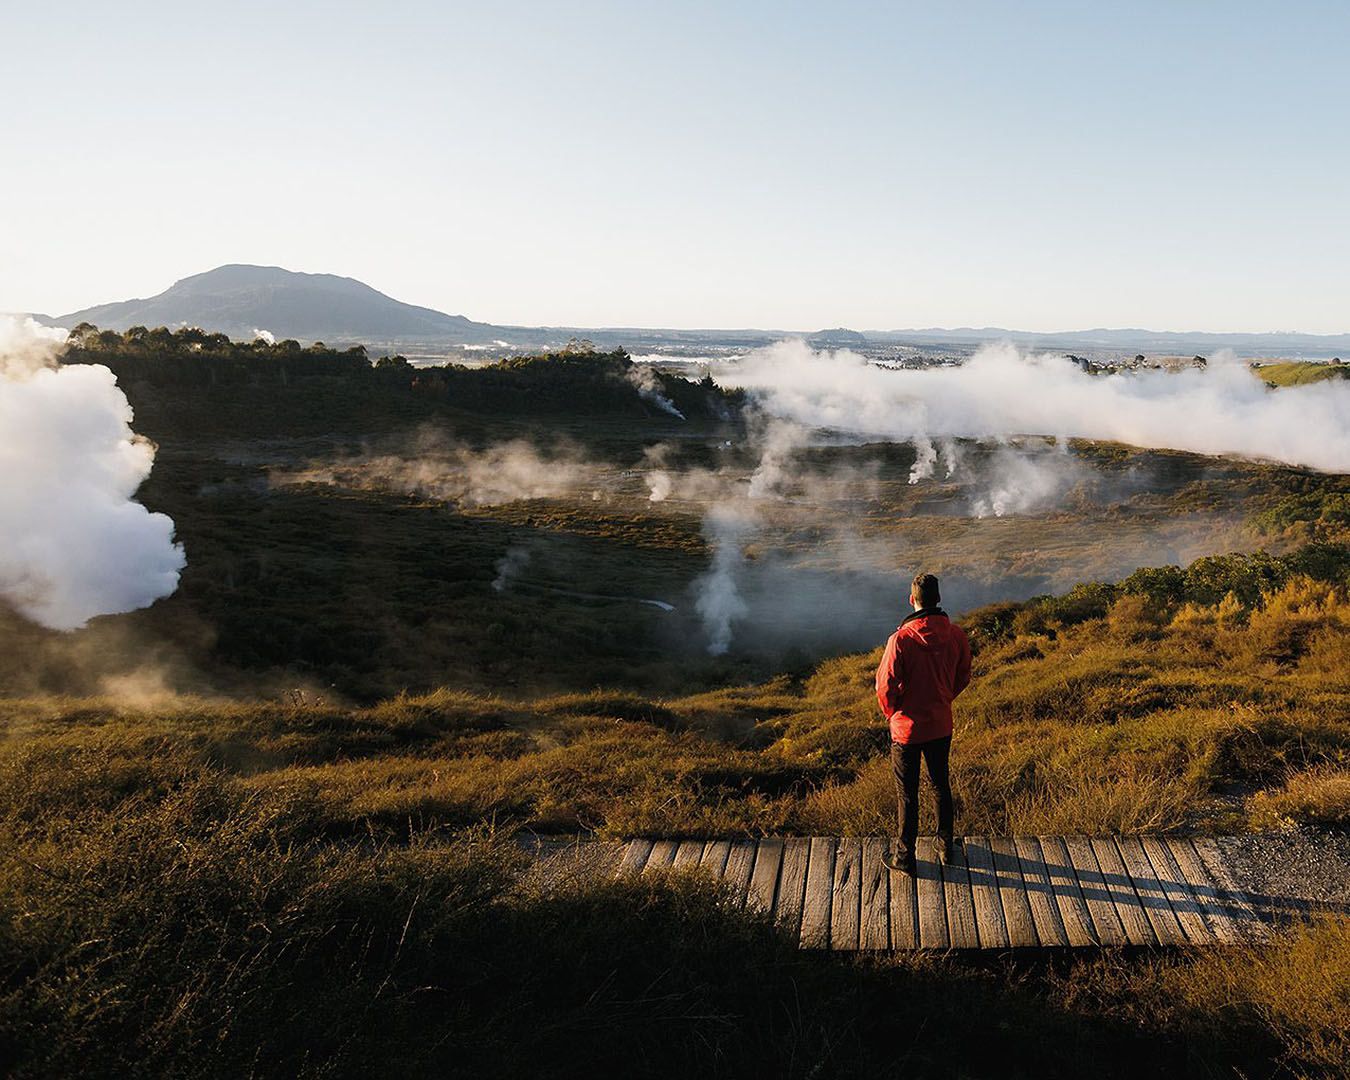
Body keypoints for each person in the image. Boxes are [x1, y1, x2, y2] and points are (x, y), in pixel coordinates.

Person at [875, 572, 971, 875]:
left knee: (908, 793)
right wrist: (944, 698)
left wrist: (893, 714)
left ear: (911, 599)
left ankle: (905, 856)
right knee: (940, 785)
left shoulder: (900, 639)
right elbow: (963, 675)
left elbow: (884, 686)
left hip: (906, 730)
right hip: (940, 724)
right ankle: (946, 848)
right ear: (938, 599)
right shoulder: (955, 635)